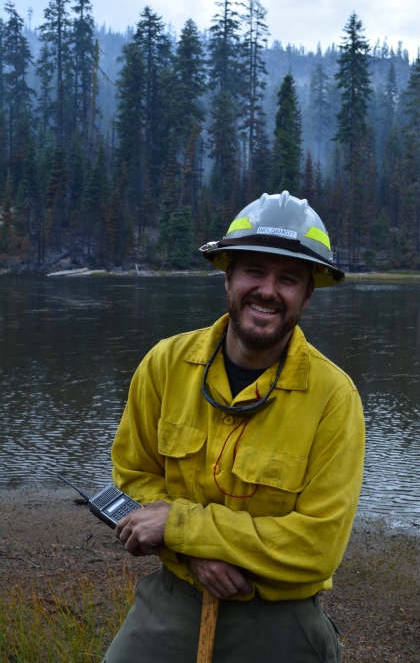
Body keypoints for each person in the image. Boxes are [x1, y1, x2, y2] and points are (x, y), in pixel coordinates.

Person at [103, 191, 365, 663]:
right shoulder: (165, 364)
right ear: (228, 276)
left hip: (279, 614)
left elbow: (317, 546)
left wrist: (181, 526)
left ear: (308, 294)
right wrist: (193, 552)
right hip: (176, 594)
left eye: (288, 279)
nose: (267, 290)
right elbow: (134, 475)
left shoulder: (334, 399)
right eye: (254, 271)